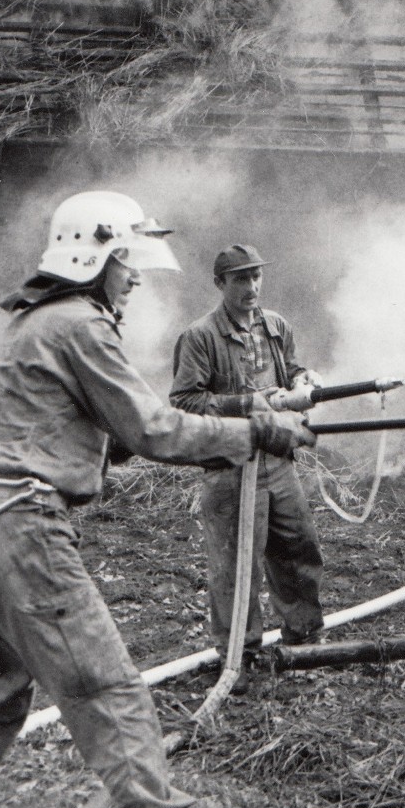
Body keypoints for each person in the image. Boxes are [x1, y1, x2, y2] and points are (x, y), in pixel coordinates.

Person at [0, 192, 313, 808]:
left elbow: (95, 435)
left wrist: (113, 445)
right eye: (126, 262)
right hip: (23, 529)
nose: (136, 277)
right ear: (94, 258)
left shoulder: (35, 323)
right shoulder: (81, 324)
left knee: (1, 685)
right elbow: (154, 430)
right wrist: (256, 431)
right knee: (113, 694)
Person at [170, 244, 325, 692]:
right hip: (230, 466)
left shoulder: (275, 326)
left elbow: (292, 370)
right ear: (220, 284)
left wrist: (303, 380)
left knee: (298, 548)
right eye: (240, 279)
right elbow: (184, 402)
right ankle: (240, 659)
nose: (251, 287)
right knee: (237, 567)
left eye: (256, 277)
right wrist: (248, 404)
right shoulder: (200, 337)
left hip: (277, 460)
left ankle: (304, 635)